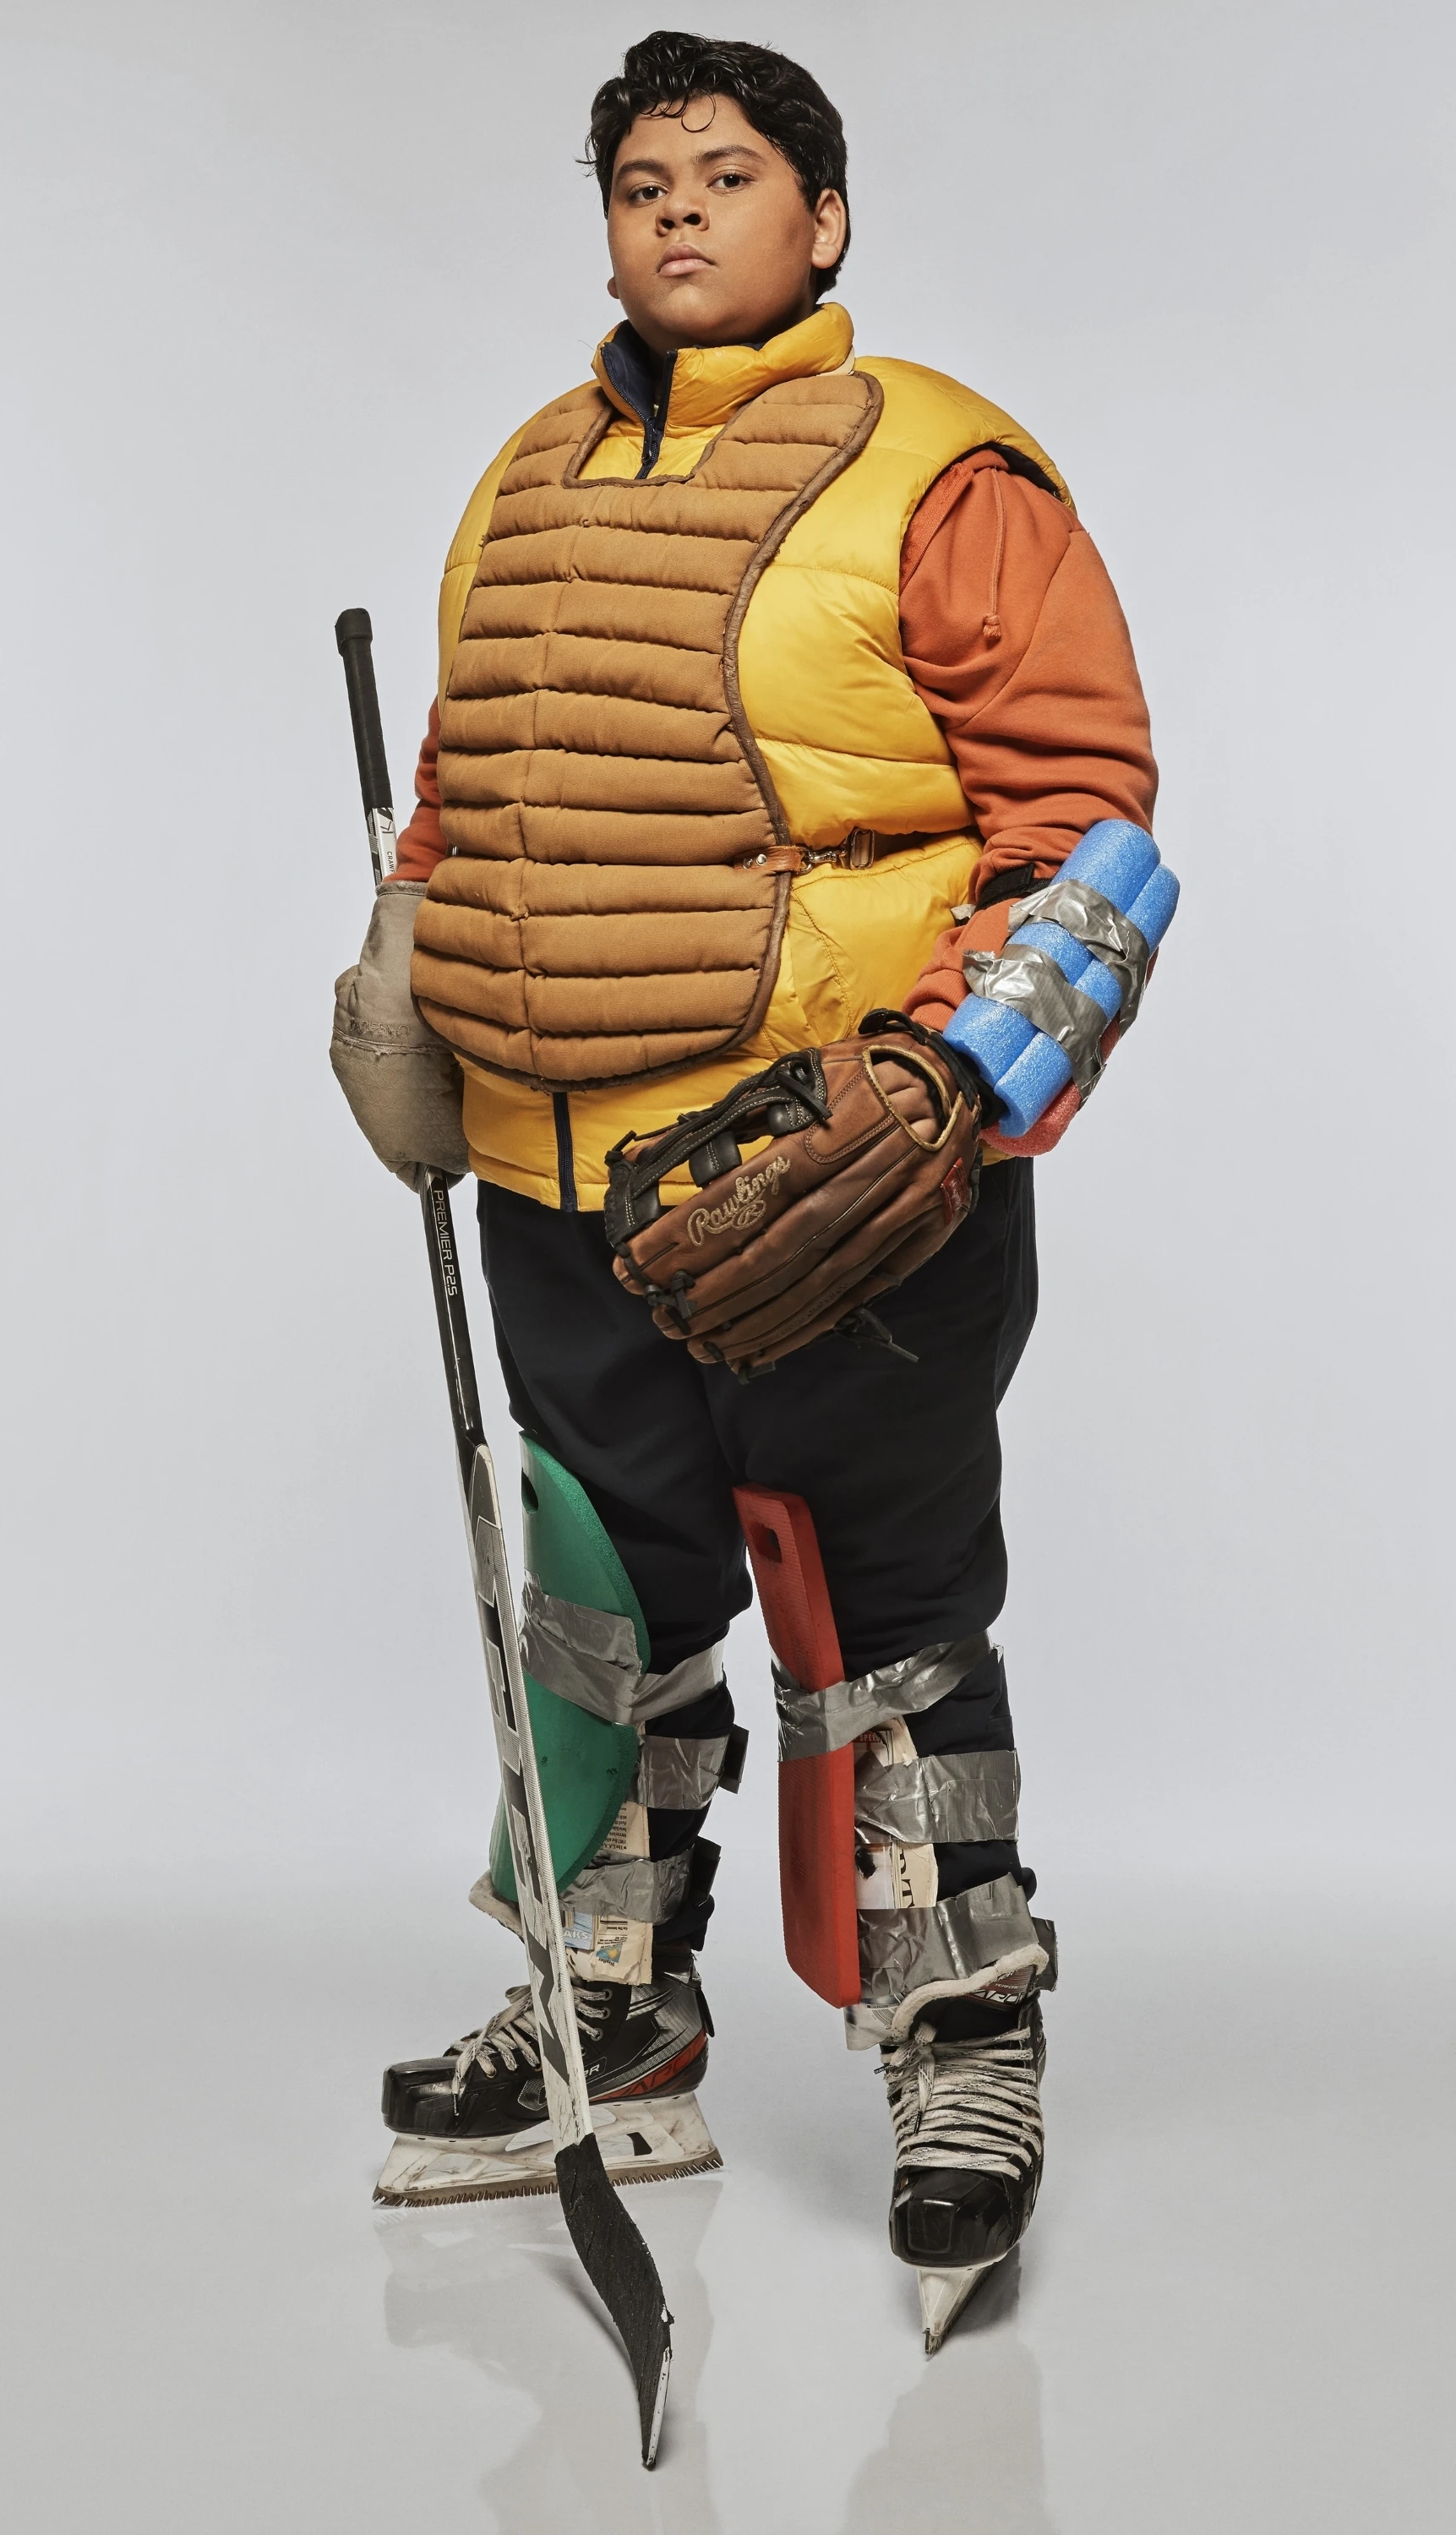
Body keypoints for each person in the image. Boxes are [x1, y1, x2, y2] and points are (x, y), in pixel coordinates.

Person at [333, 29, 1157, 2350]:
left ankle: (961, 2030)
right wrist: (409, 969)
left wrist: (956, 1087)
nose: (677, 210)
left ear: (826, 217)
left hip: (834, 1185)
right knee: (603, 1602)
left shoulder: (941, 471)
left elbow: (1090, 832)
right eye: (639, 181)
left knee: (882, 1618)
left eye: (725, 173)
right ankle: (611, 2009)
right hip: (556, 1174)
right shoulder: (529, 471)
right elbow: (486, 780)